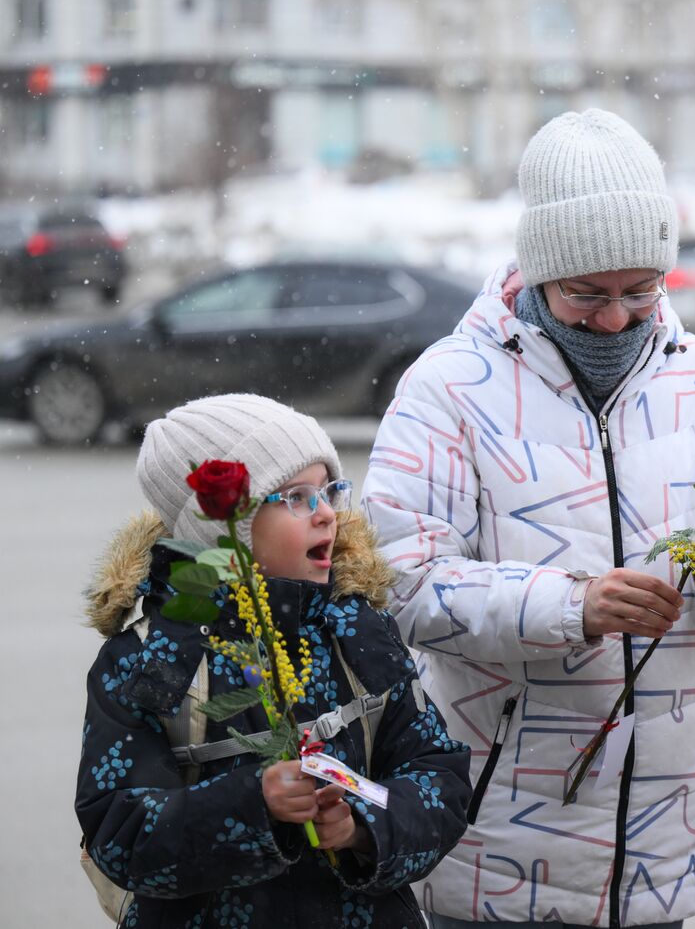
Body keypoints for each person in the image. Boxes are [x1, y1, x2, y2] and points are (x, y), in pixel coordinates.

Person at [362, 109, 695, 928]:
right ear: (536, 274)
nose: (615, 319)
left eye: (641, 291)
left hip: (665, 840)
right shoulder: (449, 388)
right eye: (587, 295)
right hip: (500, 841)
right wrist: (572, 607)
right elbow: (398, 581)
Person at [75, 393, 474, 928]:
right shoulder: (151, 661)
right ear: (222, 527)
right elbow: (119, 832)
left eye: (330, 490)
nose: (327, 513)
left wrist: (362, 825)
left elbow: (438, 774)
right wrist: (251, 804)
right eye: (296, 497)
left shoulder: (356, 628)